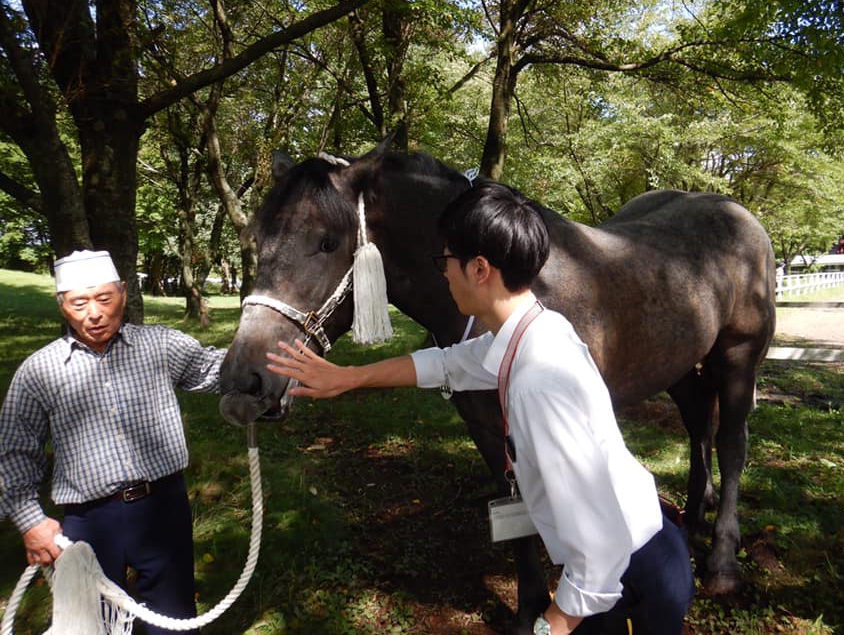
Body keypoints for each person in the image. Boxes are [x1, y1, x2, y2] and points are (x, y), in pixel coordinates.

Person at [265, 183, 695, 635]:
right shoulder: (535, 329)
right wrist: (349, 377)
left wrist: (550, 626)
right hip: (631, 553)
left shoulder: (537, 381)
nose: (444, 273)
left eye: (446, 260)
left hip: (631, 575)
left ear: (480, 268)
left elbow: (599, 550)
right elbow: (448, 362)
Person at [0, 250, 225, 635]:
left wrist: (268, 368)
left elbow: (214, 369)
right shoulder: (38, 371)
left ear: (123, 292)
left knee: (175, 618)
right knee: (92, 623)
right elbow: (14, 450)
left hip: (164, 507)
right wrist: (29, 521)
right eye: (79, 303)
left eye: (105, 299)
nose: (95, 313)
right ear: (61, 305)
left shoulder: (159, 345)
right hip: (88, 519)